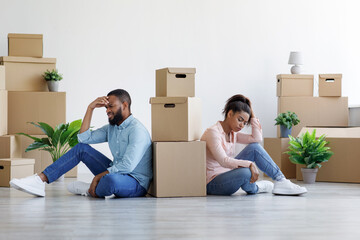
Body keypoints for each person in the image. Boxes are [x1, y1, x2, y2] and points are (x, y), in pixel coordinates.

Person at [10, 89, 152, 198]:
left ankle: (89, 188)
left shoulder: (137, 131)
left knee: (111, 182)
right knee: (82, 149)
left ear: (125, 105)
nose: (107, 111)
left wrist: (97, 176)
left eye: (111, 107)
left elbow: (127, 166)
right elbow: (83, 139)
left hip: (135, 182)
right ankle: (40, 180)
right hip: (115, 171)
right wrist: (90, 108)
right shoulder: (112, 128)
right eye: (106, 108)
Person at [201, 94, 307, 196]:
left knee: (254, 148)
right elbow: (224, 161)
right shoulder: (213, 132)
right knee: (246, 172)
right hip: (213, 182)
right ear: (230, 114)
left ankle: (281, 180)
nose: (242, 125)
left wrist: (251, 113)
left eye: (245, 122)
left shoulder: (233, 133)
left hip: (228, 173)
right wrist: (250, 164)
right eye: (240, 120)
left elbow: (256, 139)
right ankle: (256, 188)